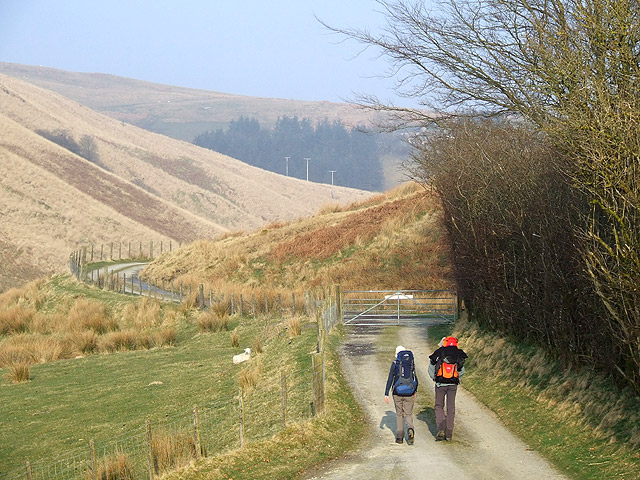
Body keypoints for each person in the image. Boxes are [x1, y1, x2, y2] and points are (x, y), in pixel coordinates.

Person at [428, 336, 468, 441]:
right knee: (451, 408)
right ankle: (449, 433)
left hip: (440, 384)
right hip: (453, 385)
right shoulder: (458, 354)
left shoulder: (439, 353)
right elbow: (462, 371)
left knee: (438, 406)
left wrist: (435, 378)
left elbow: (431, 368)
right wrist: (456, 378)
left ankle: (441, 427)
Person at [384, 345, 418, 445]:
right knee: (408, 413)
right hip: (410, 392)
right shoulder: (411, 364)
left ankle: (399, 437)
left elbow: (390, 378)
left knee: (399, 414)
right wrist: (415, 390)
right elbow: (415, 378)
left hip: (397, 392)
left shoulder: (395, 364)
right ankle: (410, 429)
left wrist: (386, 393)